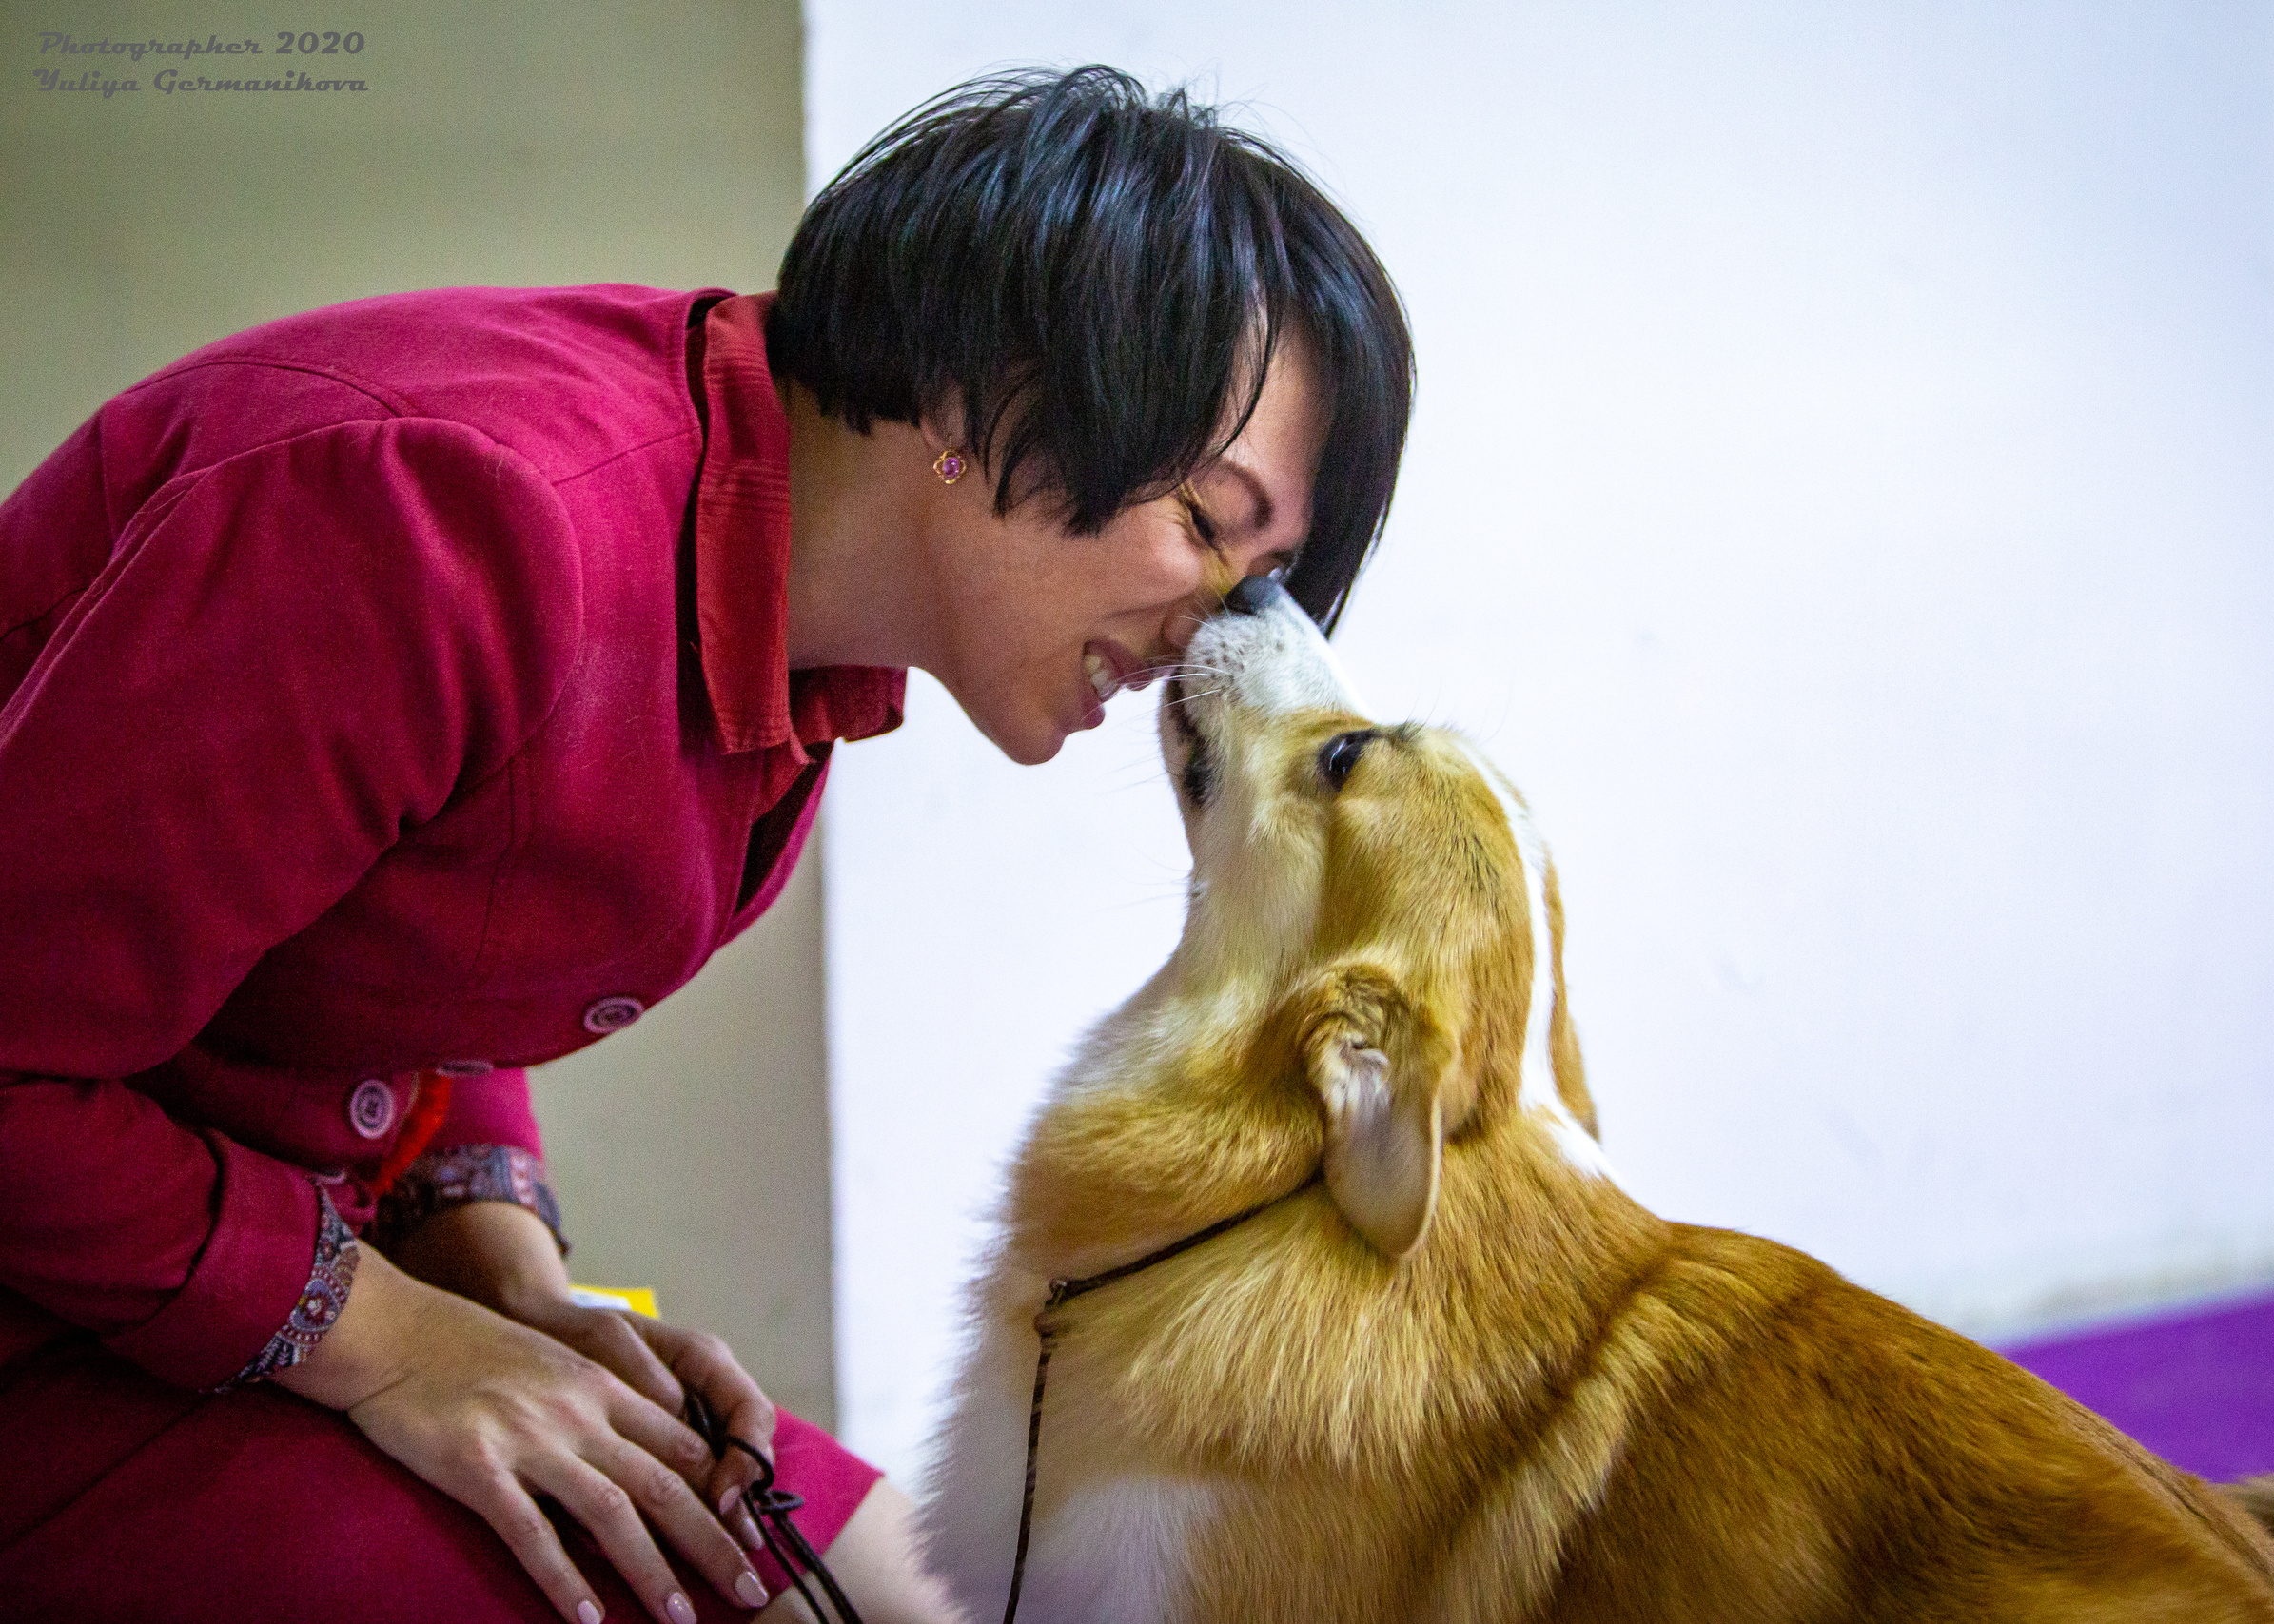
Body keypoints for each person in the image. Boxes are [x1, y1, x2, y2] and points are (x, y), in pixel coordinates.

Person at [0, 65, 1411, 1624]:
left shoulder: (801, 650)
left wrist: (501, 1274)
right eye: (1210, 526)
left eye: (1263, 575)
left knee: (925, 1591)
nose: (1210, 636)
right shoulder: (446, 522)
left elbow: (410, 940)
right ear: (991, 391)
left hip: (226, 1262)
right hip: (61, 1301)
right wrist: (381, 1337)